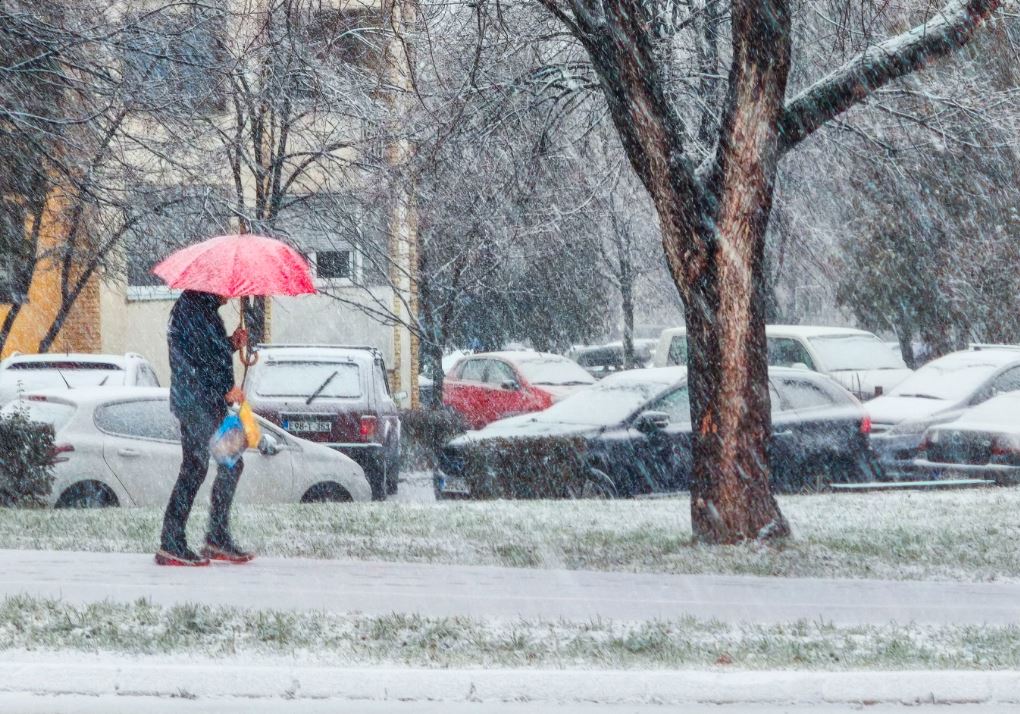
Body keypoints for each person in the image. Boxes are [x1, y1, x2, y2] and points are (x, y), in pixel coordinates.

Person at [156, 290, 253, 566]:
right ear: (211, 288)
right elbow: (200, 362)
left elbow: (209, 352)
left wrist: (231, 343)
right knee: (196, 467)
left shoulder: (202, 312)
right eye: (227, 290)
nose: (231, 294)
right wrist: (226, 389)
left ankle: (215, 537)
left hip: (205, 403)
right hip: (196, 404)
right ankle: (172, 542)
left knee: (231, 463)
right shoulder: (192, 313)